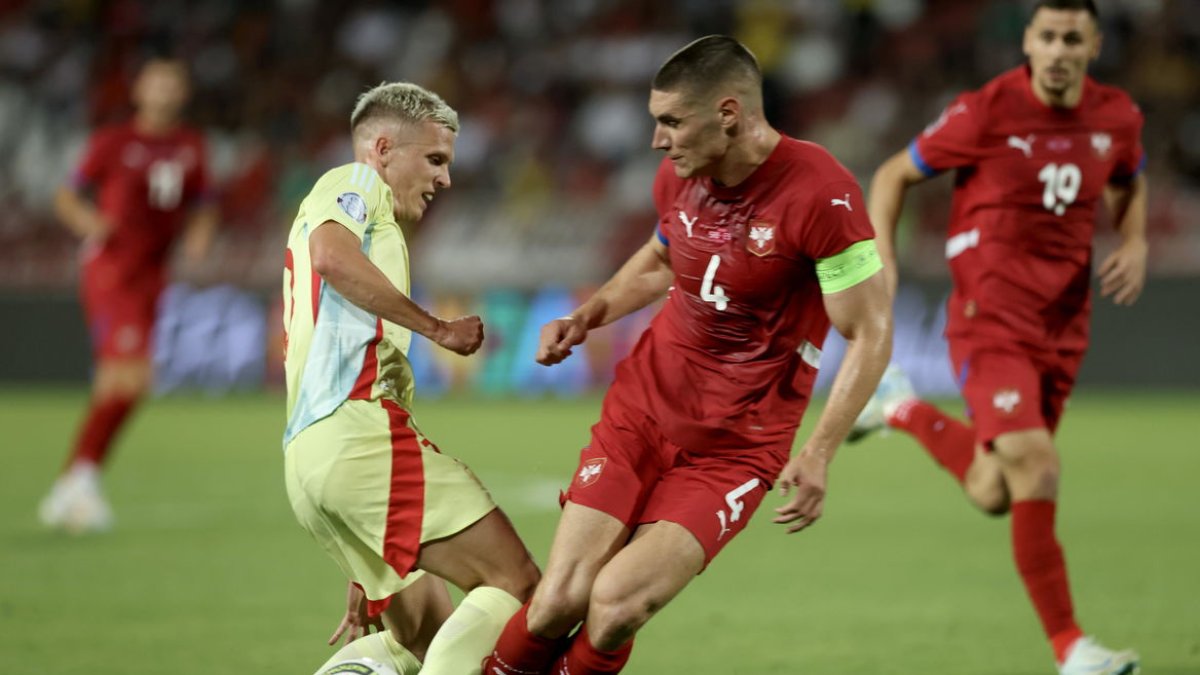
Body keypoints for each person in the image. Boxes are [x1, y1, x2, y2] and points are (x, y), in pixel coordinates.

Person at [483, 36, 893, 674]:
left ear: (728, 113)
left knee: (615, 606)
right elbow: (661, 259)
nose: (657, 140)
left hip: (734, 447)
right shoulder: (681, 177)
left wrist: (819, 452)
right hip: (642, 413)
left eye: (671, 121)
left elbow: (870, 332)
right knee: (556, 603)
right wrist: (584, 317)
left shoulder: (822, 194)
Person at [854, 2, 1145, 674]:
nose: (1059, 50)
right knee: (1036, 463)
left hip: (1062, 325)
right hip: (989, 314)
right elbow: (892, 174)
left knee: (995, 487)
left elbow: (1130, 176)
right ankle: (1071, 648)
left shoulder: (1117, 117)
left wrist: (1132, 239)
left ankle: (897, 406)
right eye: (1047, 36)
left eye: (1073, 37)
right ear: (1029, 43)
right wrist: (883, 259)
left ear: (1093, 45)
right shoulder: (987, 109)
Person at [281, 81, 539, 675]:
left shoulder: (382, 227)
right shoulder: (354, 183)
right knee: (517, 584)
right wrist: (437, 328)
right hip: (358, 435)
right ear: (381, 148)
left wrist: (365, 544)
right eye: (435, 159)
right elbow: (331, 256)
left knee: (426, 639)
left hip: (313, 461)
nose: (444, 179)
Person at [39, 57, 218, 532]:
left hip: (153, 275)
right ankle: (77, 481)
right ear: (139, 90)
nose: (163, 91)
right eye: (155, 82)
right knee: (128, 377)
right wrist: (90, 222)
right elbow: (66, 195)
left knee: (124, 383)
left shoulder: (190, 146)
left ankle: (77, 480)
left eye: (172, 84)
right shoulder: (113, 141)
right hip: (112, 270)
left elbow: (204, 203)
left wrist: (200, 234)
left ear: (182, 93)